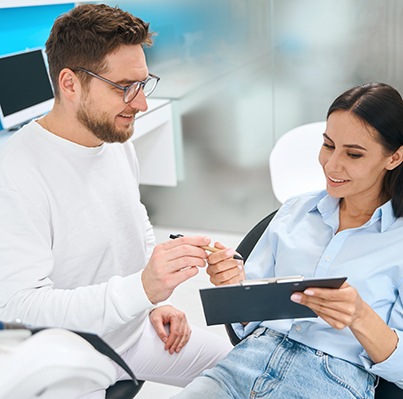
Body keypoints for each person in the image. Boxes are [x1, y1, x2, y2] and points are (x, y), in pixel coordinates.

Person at [0, 3, 231, 398]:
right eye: (124, 88)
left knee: (250, 372)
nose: (140, 103)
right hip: (71, 350)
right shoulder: (14, 174)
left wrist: (149, 303)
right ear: (70, 84)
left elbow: (134, 219)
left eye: (143, 83)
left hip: (135, 331)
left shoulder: (112, 138)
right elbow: (19, 309)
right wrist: (140, 291)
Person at [172, 82, 403, 399]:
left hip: (331, 380)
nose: (332, 165)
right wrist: (233, 285)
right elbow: (246, 324)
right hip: (246, 363)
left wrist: (360, 316)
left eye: (353, 154)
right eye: (328, 145)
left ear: (394, 158)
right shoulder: (294, 212)